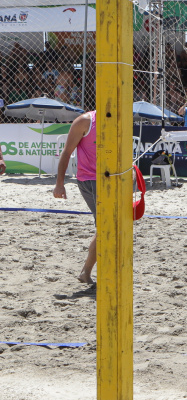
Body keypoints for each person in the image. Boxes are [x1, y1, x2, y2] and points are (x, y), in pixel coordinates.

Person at [52, 110, 98, 284]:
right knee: (106, 226)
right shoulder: (85, 121)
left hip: (111, 178)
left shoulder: (119, 118)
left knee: (109, 226)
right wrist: (59, 184)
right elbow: (66, 152)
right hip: (90, 180)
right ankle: (86, 272)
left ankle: (86, 273)